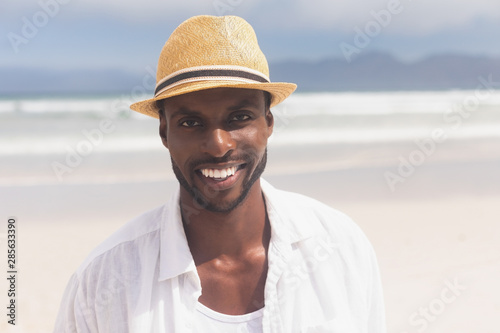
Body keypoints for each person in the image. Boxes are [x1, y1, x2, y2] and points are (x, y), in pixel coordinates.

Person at [54, 15, 386, 332]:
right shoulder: (106, 279)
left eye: (239, 117)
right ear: (164, 133)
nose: (218, 145)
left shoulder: (339, 246)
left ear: (268, 122)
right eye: (190, 123)